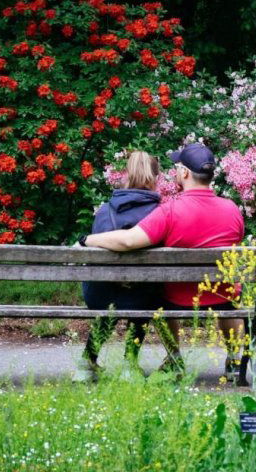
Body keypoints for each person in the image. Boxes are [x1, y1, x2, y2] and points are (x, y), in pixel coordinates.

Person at [83, 143, 246, 378]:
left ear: (185, 174)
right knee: (231, 296)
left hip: (176, 299)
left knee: (155, 293)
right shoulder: (232, 209)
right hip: (221, 296)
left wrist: (88, 239)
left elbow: (129, 241)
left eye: (178, 167)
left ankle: (175, 358)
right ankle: (234, 361)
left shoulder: (169, 210)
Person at [73, 151, 163, 383]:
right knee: (145, 295)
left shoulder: (105, 210)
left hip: (99, 295)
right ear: (156, 177)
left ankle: (86, 363)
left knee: (109, 298)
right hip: (142, 297)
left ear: (126, 175)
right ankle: (129, 365)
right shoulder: (161, 212)